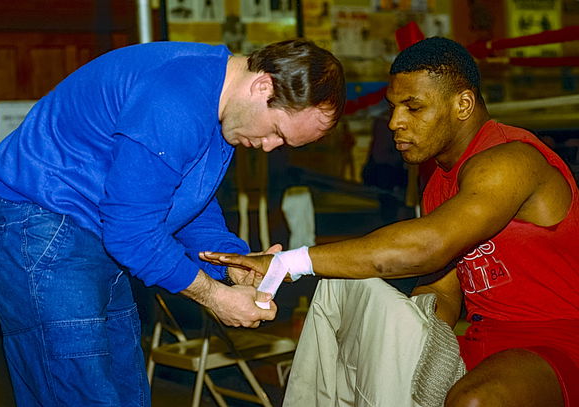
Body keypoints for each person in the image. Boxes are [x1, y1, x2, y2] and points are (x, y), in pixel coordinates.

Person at [202, 37, 579, 406]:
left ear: (463, 104)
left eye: (413, 108)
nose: (395, 122)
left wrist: (290, 262)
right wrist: (408, 337)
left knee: (475, 401)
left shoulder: (510, 160)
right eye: (393, 106)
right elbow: (444, 288)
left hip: (553, 343)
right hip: (481, 339)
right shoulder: (435, 177)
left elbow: (428, 246)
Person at [0, 39, 345, 407]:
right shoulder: (177, 99)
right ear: (263, 86)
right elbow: (132, 233)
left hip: (92, 233)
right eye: (277, 132)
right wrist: (214, 297)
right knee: (80, 394)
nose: (269, 146)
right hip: (42, 226)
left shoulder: (219, 100)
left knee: (127, 393)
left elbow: (184, 201)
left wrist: (233, 263)